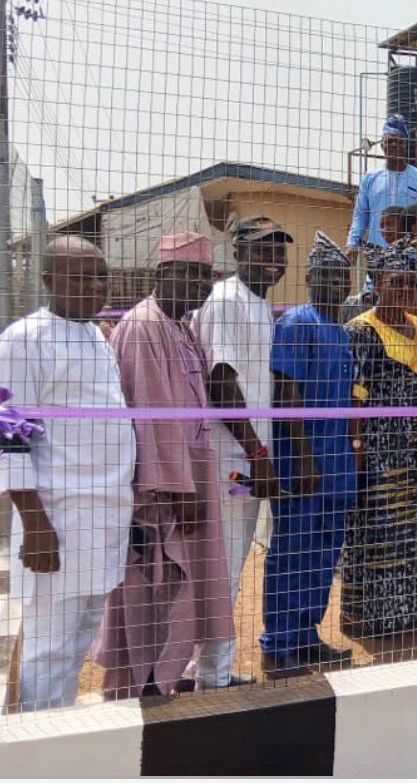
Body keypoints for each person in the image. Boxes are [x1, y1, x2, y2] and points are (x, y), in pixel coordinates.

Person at [0, 237, 135, 712]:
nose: (96, 286)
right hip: (59, 517)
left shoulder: (96, 335)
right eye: (81, 277)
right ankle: (38, 737)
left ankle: (61, 727)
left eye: (101, 276)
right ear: (49, 281)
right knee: (49, 646)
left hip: (107, 512)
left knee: (79, 635)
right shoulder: (23, 339)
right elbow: (8, 435)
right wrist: (35, 523)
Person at [98, 233, 233, 700]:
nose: (202, 286)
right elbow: (152, 418)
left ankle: (162, 681)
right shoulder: (144, 326)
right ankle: (142, 690)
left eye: (207, 276)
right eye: (190, 274)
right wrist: (180, 490)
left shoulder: (181, 326)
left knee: (183, 589)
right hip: (162, 488)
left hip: (191, 475)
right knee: (154, 585)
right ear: (161, 275)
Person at [191, 215, 288, 688]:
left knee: (227, 562)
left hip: (246, 456)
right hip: (233, 460)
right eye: (263, 249)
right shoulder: (228, 299)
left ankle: (201, 666)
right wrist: (258, 454)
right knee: (225, 565)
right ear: (239, 253)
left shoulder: (256, 303)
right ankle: (213, 673)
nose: (274, 259)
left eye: (279, 250)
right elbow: (222, 384)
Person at [258, 232, 356, 678]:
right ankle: (277, 645)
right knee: (291, 553)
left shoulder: (341, 332)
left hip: (336, 464)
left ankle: (305, 635)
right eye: (327, 276)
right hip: (303, 464)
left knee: (323, 555)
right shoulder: (298, 323)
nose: (336, 284)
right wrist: (303, 458)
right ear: (310, 278)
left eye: (342, 277)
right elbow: (286, 391)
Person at [342, 243, 417, 635]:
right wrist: (356, 449)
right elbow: (354, 397)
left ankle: (409, 608)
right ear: (377, 284)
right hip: (379, 444)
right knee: (379, 526)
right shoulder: (361, 331)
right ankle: (369, 614)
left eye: (410, 283)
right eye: (396, 282)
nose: (405, 289)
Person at [347, 115, 417, 257]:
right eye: (389, 141)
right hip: (377, 253)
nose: (394, 145)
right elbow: (360, 216)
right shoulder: (370, 178)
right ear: (382, 145)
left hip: (410, 255)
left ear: (406, 145)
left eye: (399, 141)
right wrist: (352, 243)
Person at [341, 204, 417, 322]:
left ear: (403, 225)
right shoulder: (383, 255)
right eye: (382, 226)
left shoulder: (414, 251)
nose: (385, 230)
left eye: (390, 224)